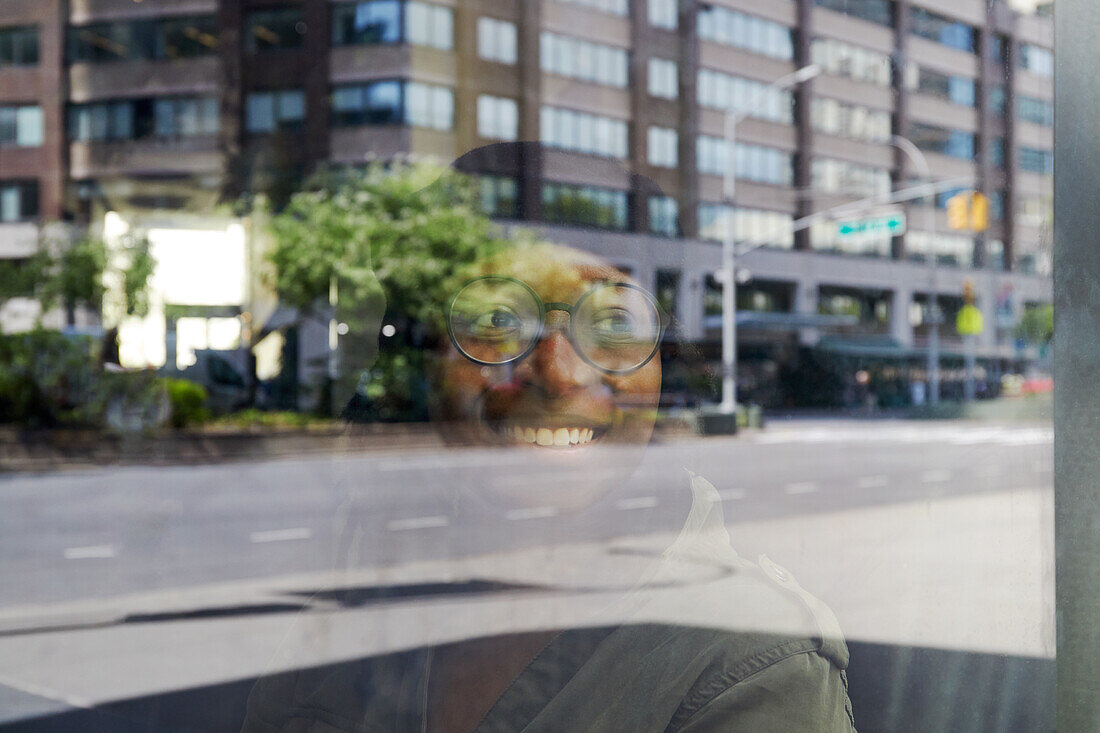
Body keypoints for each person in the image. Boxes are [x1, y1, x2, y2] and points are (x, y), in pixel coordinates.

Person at [242, 232, 856, 732]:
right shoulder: (372, 591)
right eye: (496, 321)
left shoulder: (751, 660)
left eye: (614, 327)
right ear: (428, 369)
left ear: (662, 372)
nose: (559, 374)